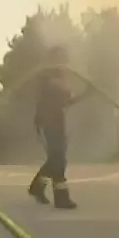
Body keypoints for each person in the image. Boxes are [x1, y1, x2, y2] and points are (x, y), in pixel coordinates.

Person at [27, 47, 89, 209]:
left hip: (56, 120)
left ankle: (37, 187)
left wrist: (86, 95)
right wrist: (70, 90)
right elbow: (56, 89)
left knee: (56, 158)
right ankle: (60, 198)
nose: (64, 62)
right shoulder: (47, 75)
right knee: (58, 159)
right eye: (61, 58)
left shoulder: (58, 76)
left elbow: (66, 101)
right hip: (48, 121)